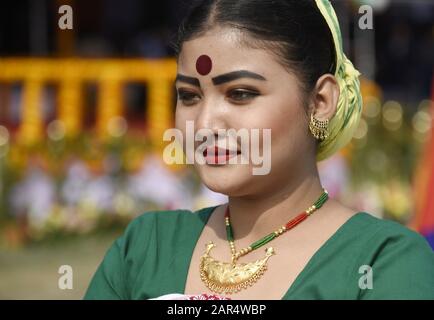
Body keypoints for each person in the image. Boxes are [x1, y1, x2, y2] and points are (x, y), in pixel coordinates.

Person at [84, 0, 434, 300]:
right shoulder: (148, 247)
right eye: (189, 96)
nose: (205, 124)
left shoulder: (382, 262)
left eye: (240, 94)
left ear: (321, 101)